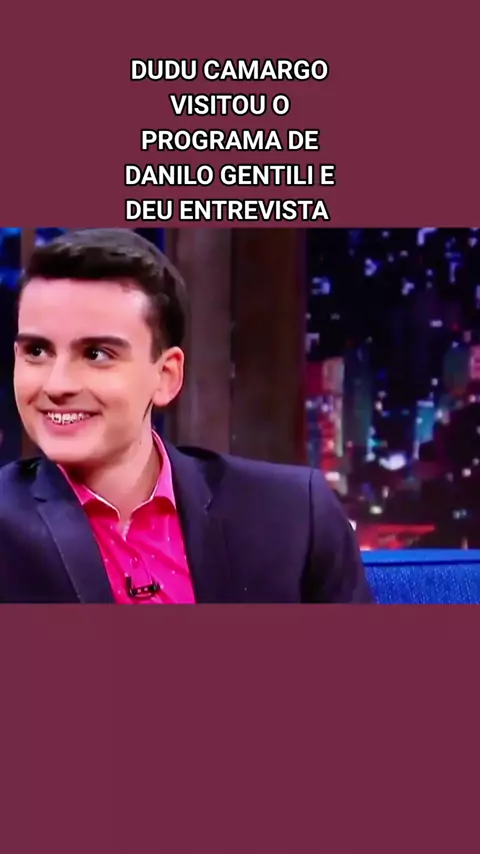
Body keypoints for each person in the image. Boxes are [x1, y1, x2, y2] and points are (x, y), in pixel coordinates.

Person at [0, 229, 372, 603]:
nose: (57, 385)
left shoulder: (295, 516)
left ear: (166, 377)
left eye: (96, 354)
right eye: (36, 351)